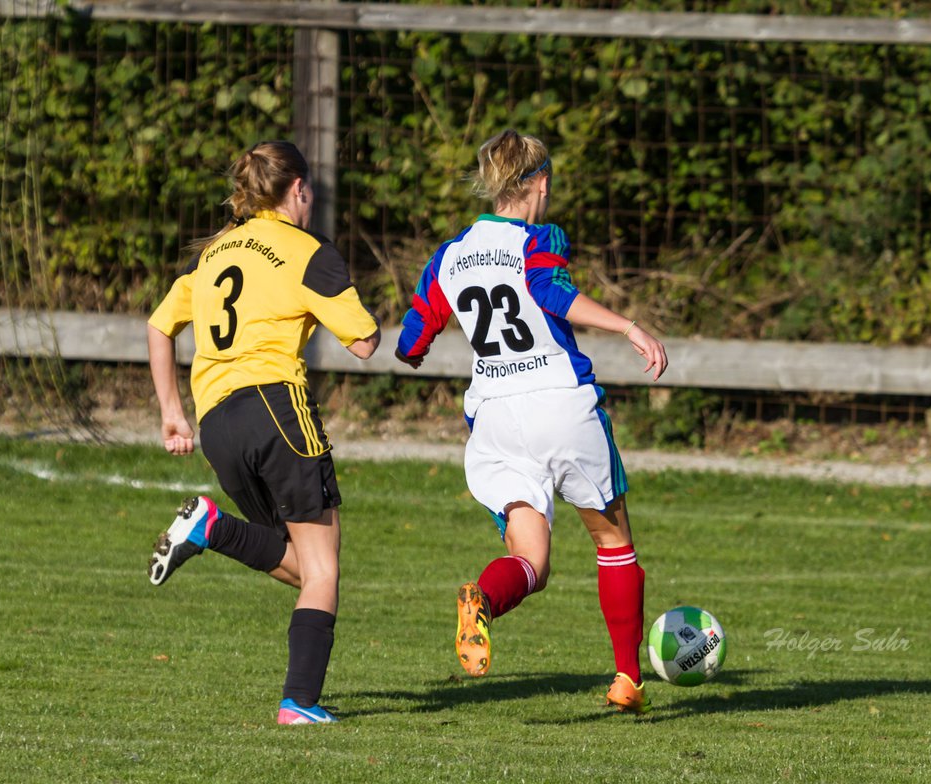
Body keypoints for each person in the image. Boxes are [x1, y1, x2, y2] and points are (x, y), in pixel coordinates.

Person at [395, 129, 668, 714]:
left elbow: (412, 340)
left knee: (531, 563)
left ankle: (484, 600)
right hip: (558, 402)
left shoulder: (450, 255)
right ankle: (627, 678)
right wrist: (628, 326)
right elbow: (552, 294)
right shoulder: (537, 240)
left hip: (494, 417)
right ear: (539, 182)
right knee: (613, 541)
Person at [146, 140, 380, 726]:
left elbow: (159, 325)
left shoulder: (216, 252)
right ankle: (298, 704)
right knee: (323, 569)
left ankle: (212, 527)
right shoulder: (307, 252)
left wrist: (173, 413)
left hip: (218, 421)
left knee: (304, 564)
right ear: (297, 189)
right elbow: (364, 343)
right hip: (277, 409)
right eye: (312, 192)